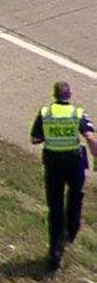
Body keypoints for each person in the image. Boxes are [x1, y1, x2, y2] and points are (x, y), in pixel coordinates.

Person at [30, 81, 97, 270]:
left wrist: (50, 137)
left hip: (53, 164)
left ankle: (55, 252)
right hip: (74, 163)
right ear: (70, 95)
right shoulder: (77, 113)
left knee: (55, 207)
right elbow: (91, 138)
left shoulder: (45, 113)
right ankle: (72, 231)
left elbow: (34, 138)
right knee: (76, 195)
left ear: (54, 95)